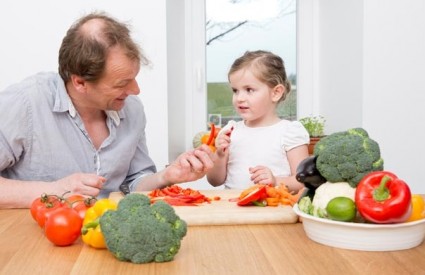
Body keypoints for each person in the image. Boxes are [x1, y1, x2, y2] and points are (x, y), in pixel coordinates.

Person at [0, 12, 214, 209]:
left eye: (134, 78)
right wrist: (55, 191)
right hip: (30, 241)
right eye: (121, 84)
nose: (135, 91)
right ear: (80, 83)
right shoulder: (25, 103)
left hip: (100, 236)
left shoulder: (131, 109)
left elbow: (133, 182)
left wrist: (167, 175)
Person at [206, 50, 309, 192]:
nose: (239, 98)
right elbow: (214, 181)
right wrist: (220, 155)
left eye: (249, 90)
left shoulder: (289, 132)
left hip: (273, 210)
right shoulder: (230, 131)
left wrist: (275, 181)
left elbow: (303, 181)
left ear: (275, 93)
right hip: (232, 208)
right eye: (235, 90)